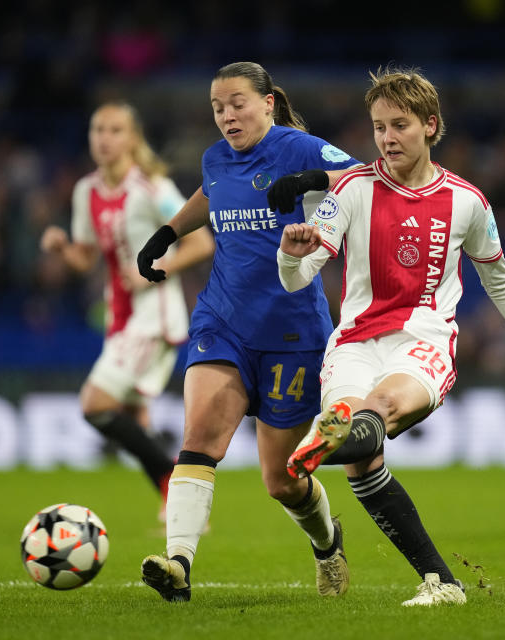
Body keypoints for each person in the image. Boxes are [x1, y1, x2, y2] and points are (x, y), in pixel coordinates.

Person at [276, 67, 505, 606]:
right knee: (358, 454)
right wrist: (290, 255)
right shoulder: (348, 190)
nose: (387, 139)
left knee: (377, 408)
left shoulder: (467, 202)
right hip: (354, 343)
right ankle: (444, 584)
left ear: (430, 126)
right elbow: (299, 277)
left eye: (399, 126)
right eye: (377, 128)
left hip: (423, 341)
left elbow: (502, 284)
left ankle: (330, 438)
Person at [134, 61, 362, 602]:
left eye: (237, 103)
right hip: (223, 321)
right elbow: (210, 195)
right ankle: (179, 564)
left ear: (268, 102)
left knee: (281, 480)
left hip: (292, 332)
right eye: (217, 107)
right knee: (199, 439)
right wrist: (166, 233)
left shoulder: (298, 148)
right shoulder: (216, 158)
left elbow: (370, 177)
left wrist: (314, 180)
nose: (227, 116)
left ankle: (328, 545)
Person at [40, 101, 214, 522]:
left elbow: (200, 242)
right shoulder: (87, 191)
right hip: (118, 317)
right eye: (98, 129)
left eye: (115, 130)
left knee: (95, 403)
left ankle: (174, 483)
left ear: (133, 138)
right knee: (136, 418)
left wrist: (160, 266)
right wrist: (64, 247)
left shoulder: (152, 188)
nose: (104, 138)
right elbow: (86, 258)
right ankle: (184, 509)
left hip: (153, 315)